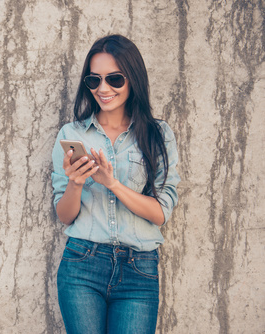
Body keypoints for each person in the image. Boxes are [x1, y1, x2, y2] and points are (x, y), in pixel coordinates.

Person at [51, 34, 180, 334]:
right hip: (81, 265)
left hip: (139, 270)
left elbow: (161, 213)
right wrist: (75, 183)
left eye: (114, 79)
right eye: (93, 81)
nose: (103, 89)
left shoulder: (158, 134)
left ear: (132, 78)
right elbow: (65, 215)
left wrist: (112, 183)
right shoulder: (72, 134)